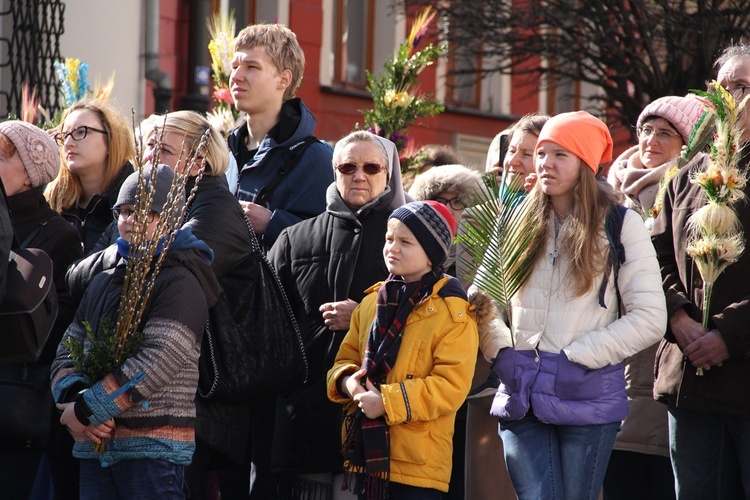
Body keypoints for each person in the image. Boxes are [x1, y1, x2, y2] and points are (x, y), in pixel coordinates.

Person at [486, 111, 666, 499]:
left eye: (560, 155)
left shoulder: (621, 222)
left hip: (586, 393)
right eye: (541, 153)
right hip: (522, 391)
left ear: (585, 163)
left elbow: (651, 317)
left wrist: (578, 356)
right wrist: (501, 353)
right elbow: (483, 298)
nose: (545, 163)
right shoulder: (515, 218)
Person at [52, 164, 221, 499]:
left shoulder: (181, 279)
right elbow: (69, 347)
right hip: (96, 444)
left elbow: (157, 361)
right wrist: (72, 397)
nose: (128, 221)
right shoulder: (105, 278)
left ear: (170, 216)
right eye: (123, 211)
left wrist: (86, 411)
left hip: (152, 448)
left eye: (143, 211)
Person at [268, 130, 407, 498]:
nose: (358, 175)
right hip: (304, 413)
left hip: (377, 417)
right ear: (334, 172)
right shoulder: (293, 238)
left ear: (387, 174)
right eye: (348, 166)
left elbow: (432, 311)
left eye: (370, 167)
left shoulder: (410, 239)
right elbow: (265, 322)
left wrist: (364, 315)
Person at [327, 200, 479, 499]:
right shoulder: (372, 302)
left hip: (418, 465)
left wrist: (385, 401)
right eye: (389, 239)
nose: (392, 248)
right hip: (364, 456)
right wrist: (350, 384)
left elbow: (451, 387)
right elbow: (344, 360)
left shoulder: (454, 313)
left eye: (405, 242)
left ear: (431, 254)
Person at [651, 42, 750, 498]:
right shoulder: (686, 175)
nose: (731, 98)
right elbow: (655, 258)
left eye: (743, 87)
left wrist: (728, 334)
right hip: (689, 376)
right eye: (723, 88)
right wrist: (679, 319)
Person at [604, 95, 703, 500]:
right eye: (646, 129)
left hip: (665, 367)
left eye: (666, 133)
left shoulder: (695, 195)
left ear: (689, 143)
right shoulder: (607, 195)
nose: (651, 140)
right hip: (608, 368)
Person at [0, 121, 83, 499]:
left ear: (31, 175)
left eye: (2, 155)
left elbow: (60, 321)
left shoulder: (58, 234)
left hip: (15, 393)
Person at [227, 23, 333, 250]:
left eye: (251, 66)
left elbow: (331, 241)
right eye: (234, 66)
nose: (236, 76)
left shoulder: (317, 159)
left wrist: (273, 223)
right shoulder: (222, 150)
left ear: (283, 79)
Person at [45, 99, 134, 254]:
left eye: (81, 132)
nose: (68, 143)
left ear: (110, 139)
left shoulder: (133, 203)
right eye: (64, 136)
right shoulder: (53, 200)